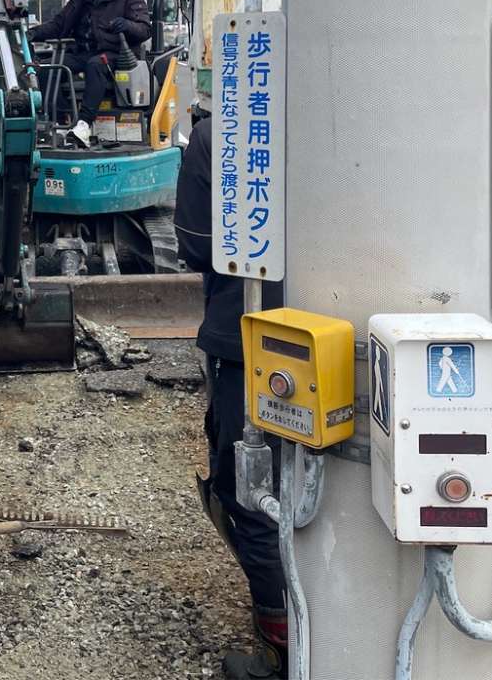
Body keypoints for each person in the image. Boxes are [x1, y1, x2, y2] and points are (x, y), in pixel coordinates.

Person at [175, 115, 289, 680]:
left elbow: (197, 246)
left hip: (246, 336)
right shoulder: (353, 122)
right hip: (344, 330)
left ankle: (281, 651)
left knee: (250, 491)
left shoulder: (217, 135)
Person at [30, 0, 152, 147]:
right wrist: (33, 33)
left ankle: (84, 124)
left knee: (95, 64)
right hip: (83, 52)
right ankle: (61, 122)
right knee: (48, 68)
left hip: (115, 53)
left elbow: (144, 29)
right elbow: (59, 25)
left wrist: (128, 25)